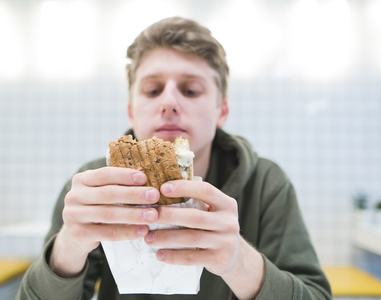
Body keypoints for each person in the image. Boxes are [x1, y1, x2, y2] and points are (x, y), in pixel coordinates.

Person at [16, 17, 332, 300]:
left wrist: (239, 262)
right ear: (131, 111)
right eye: (152, 91)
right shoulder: (94, 187)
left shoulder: (266, 185)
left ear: (222, 111)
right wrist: (68, 247)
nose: (168, 101)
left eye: (191, 90)